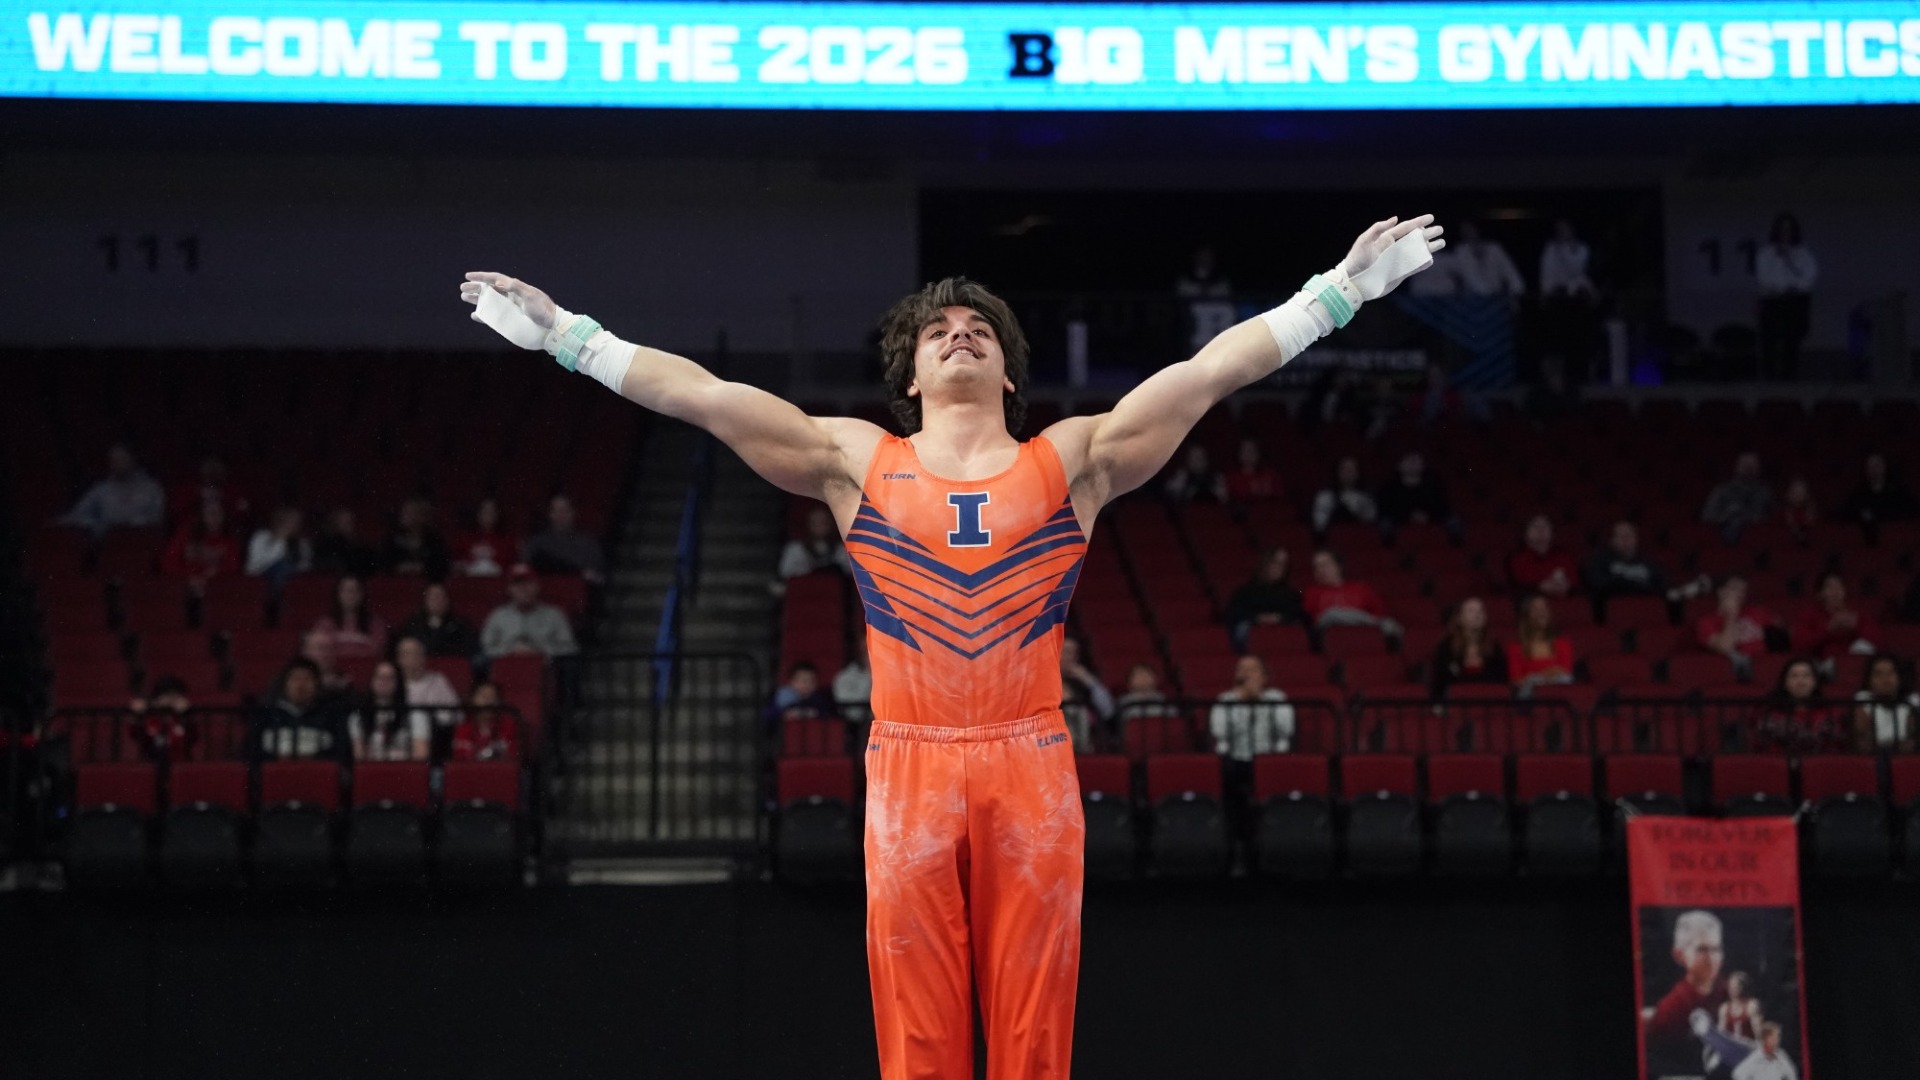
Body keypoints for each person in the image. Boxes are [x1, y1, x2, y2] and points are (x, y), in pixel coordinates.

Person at [461, 209, 1445, 1080]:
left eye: (978, 331)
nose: (959, 337)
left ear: (1009, 373)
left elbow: (1207, 375)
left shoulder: (1071, 459)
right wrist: (566, 336)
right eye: (938, 332)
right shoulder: (854, 460)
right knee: (919, 1024)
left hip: (1030, 755)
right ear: (911, 373)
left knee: (1032, 1020)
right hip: (912, 762)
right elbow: (704, 396)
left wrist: (1342, 292)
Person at [1209, 654, 1294, 827]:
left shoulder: (1276, 698)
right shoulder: (1225, 700)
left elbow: (1286, 729)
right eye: (1242, 670)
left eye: (1252, 670)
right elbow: (1220, 731)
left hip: (1269, 758)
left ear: (1264, 677)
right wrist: (1242, 702)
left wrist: (1260, 701)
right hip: (1235, 759)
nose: (1246, 675)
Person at [1644, 910, 1728, 1077]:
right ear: (1680, 955)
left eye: (1716, 949)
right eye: (1702, 950)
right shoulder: (1671, 1007)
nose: (1711, 958)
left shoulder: (1729, 991)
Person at [1582, 521, 1710, 624]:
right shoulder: (1600, 560)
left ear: (1636, 539)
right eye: (1620, 536)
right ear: (1612, 540)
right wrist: (1647, 590)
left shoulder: (1648, 563)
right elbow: (1603, 586)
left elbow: (1664, 584)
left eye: (1629, 535)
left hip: (1650, 616)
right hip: (1614, 618)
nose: (1626, 540)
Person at [1756, 212, 1817, 381]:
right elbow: (1763, 277)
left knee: (1792, 341)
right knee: (1770, 341)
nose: (1785, 232)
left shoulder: (1803, 253)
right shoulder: (1766, 253)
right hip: (1772, 300)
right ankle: (1769, 379)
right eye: (1782, 229)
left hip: (1795, 301)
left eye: (1789, 229)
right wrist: (1778, 287)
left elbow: (1809, 276)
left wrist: (1789, 260)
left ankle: (1790, 379)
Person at [1537, 218, 1600, 383]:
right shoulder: (1551, 248)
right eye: (1559, 229)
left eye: (1565, 229)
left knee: (1580, 337)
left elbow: (1579, 273)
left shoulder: (1582, 248)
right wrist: (1544, 293)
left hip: (1576, 298)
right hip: (1557, 297)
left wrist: (1591, 291)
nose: (1562, 232)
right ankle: (1554, 378)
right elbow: (1546, 272)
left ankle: (1584, 376)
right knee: (1556, 338)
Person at [57, 443, 164, 537]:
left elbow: (159, 519)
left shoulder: (151, 488)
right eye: (113, 460)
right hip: (109, 548)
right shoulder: (101, 490)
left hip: (142, 544)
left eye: (121, 458)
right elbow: (78, 515)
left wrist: (132, 525)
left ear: (132, 459)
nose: (117, 463)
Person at [254, 658, 348, 762]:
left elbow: (340, 756)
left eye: (307, 679)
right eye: (295, 679)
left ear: (317, 684)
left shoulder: (330, 717)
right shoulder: (267, 716)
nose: (301, 685)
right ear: (284, 683)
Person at [480, 565, 579, 659]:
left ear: (537, 586)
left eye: (528, 583)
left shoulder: (554, 614)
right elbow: (486, 648)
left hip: (545, 667)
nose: (523, 588)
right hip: (506, 667)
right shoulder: (498, 615)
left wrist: (539, 651)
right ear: (509, 589)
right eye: (517, 584)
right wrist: (510, 651)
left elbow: (569, 648)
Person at [1752, 658, 1847, 753]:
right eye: (1794, 676)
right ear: (1785, 682)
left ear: (1815, 682)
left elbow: (1836, 747)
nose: (1800, 681)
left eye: (1806, 676)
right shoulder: (1770, 713)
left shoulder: (1830, 712)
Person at [1302, 550, 1399, 638]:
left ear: (1338, 566)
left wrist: (1352, 617)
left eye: (1325, 564)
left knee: (1388, 623)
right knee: (1332, 613)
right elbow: (1315, 621)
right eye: (1316, 567)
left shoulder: (1360, 588)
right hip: (1331, 633)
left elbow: (1379, 613)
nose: (1320, 569)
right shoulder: (1311, 592)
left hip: (1363, 631)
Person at [1224, 547, 1304, 652]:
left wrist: (1279, 618)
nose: (1278, 568)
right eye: (1275, 563)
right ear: (1265, 563)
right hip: (1252, 622)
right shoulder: (1245, 590)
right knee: (1241, 628)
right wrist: (1257, 618)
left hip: (1282, 622)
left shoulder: (1291, 593)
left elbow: (1298, 612)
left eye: (1283, 564)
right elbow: (1234, 612)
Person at [347, 660, 429, 762]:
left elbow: (420, 756)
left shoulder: (415, 714)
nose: (384, 681)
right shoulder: (358, 716)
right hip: (372, 771)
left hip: (404, 771)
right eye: (379, 677)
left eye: (390, 678)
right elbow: (359, 757)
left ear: (398, 682)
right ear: (372, 681)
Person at [1429, 597, 1509, 700]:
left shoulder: (1494, 647)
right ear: (1459, 618)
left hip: (1488, 702)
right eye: (1471, 611)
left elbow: (1501, 680)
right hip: (1456, 703)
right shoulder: (1446, 647)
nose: (1477, 615)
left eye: (1480, 611)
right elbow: (1440, 681)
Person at [1697, 576, 1780, 675]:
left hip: (1765, 666)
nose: (1740, 594)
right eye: (1734, 589)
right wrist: (1731, 615)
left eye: (1743, 590)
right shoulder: (1707, 622)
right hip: (1735, 671)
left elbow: (1783, 634)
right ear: (1721, 592)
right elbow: (1725, 648)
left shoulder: (1756, 611)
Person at [1790, 573, 1880, 661]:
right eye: (1830, 587)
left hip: (1853, 664)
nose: (1835, 592)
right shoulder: (1809, 614)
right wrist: (1827, 630)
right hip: (1821, 666)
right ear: (1820, 594)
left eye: (1839, 587)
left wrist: (1857, 627)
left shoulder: (1857, 614)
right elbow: (1799, 646)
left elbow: (1880, 643)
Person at [394, 635, 462, 753]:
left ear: (423, 657)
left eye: (416, 653)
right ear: (399, 659)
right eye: (407, 654)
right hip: (402, 740)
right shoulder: (394, 684)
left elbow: (458, 715)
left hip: (437, 739)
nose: (412, 658)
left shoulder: (438, 681)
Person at [1373, 451, 1458, 541]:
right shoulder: (1388, 487)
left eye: (1416, 459)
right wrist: (1409, 516)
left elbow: (1443, 507)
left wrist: (1428, 516)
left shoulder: (1434, 485)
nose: (1412, 463)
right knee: (1385, 523)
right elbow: (1385, 510)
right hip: (1398, 519)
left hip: (1431, 518)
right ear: (1399, 465)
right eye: (1408, 460)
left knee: (1453, 521)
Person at [1834, 452, 1918, 542]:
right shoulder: (1859, 492)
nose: (1873, 469)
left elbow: (1910, 511)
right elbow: (1846, 512)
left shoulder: (1898, 490)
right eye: (1869, 466)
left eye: (1877, 465)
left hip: (1896, 538)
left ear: (1885, 467)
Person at [522, 493, 606, 583]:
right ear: (550, 514)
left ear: (573, 513)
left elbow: (599, 577)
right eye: (556, 511)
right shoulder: (536, 544)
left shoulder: (589, 545)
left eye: (565, 510)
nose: (561, 515)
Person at [160, 498, 239, 591]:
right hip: (184, 588)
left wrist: (212, 575)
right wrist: (189, 577)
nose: (215, 517)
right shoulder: (185, 535)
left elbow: (233, 568)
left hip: (217, 590)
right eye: (210, 513)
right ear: (201, 515)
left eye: (218, 513)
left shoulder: (230, 540)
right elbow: (168, 563)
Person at [394, 582, 481, 659]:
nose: (437, 601)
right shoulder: (413, 624)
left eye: (440, 597)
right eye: (433, 597)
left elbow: (470, 648)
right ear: (425, 600)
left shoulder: (460, 623)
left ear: (447, 600)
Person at [1506, 593, 1574, 692]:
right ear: (1526, 615)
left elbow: (1565, 673)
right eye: (1535, 609)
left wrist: (1533, 677)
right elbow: (1516, 681)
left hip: (1559, 692)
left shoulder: (1563, 644)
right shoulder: (1516, 648)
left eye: (1544, 608)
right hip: (1530, 697)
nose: (1541, 612)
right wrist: (1548, 674)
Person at [1701, 452, 1775, 543]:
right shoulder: (1721, 490)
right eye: (1745, 464)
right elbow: (1708, 515)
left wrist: (1747, 518)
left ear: (1758, 468)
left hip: (1756, 538)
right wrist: (1728, 517)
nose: (1748, 468)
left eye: (1752, 465)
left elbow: (1772, 519)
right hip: (1720, 537)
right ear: (1736, 466)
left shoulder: (1765, 492)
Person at [310, 575, 387, 660]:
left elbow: (377, 652)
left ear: (362, 594)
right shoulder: (324, 624)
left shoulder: (375, 624)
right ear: (338, 594)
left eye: (354, 590)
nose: (350, 595)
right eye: (345, 590)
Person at [1853, 653, 1918, 753]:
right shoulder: (1862, 699)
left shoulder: (1912, 701)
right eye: (1878, 674)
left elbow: (1914, 741)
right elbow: (1863, 742)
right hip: (1874, 758)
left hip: (1903, 759)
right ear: (1869, 680)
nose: (1885, 680)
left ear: (1899, 677)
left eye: (1890, 673)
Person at [1059, 637, 1115, 751]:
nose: (1068, 658)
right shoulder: (1042, 681)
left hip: (1084, 746)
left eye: (1072, 653)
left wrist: (1088, 680)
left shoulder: (1084, 682)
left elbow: (1107, 710)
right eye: (1064, 651)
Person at [1504, 514, 1578, 599]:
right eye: (1535, 527)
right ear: (1526, 533)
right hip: (1531, 601)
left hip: (1565, 601)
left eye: (1545, 526)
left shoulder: (1564, 557)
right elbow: (1516, 586)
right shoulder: (1515, 559)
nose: (1541, 530)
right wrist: (1540, 587)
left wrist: (1567, 587)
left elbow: (1575, 583)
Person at [127, 674, 196, 762]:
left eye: (176, 696)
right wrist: (136, 715)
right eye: (169, 696)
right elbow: (135, 735)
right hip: (151, 765)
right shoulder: (148, 718)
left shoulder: (183, 719)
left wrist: (187, 714)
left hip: (180, 765)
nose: (172, 701)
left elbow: (192, 737)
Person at [777, 504, 852, 585]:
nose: (819, 527)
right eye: (815, 523)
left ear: (831, 525)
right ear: (808, 525)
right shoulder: (795, 549)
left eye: (823, 523)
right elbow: (785, 572)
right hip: (804, 590)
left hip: (833, 591)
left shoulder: (841, 549)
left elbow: (850, 572)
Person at [382, 496, 451, 579]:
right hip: (398, 584)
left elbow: (443, 565)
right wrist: (400, 567)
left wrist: (422, 567)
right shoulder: (392, 538)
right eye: (403, 512)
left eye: (409, 513)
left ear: (422, 516)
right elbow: (384, 564)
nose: (403, 516)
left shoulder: (434, 539)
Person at [451, 681, 522, 762]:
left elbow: (513, 757)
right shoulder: (462, 729)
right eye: (483, 696)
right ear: (472, 700)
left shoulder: (509, 727)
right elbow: (460, 759)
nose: (488, 700)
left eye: (493, 697)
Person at [245, 506, 312, 589]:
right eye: (289, 520)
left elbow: (304, 567)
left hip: (291, 583)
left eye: (296, 521)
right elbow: (252, 568)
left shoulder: (301, 543)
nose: (292, 524)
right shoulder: (261, 536)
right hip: (260, 580)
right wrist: (279, 540)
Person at [169, 454, 247, 525]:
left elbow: (243, 511)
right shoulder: (190, 488)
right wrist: (198, 493)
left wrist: (222, 496)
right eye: (209, 465)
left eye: (217, 465)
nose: (213, 470)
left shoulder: (232, 490)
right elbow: (175, 510)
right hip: (195, 531)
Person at [1311, 456, 1378, 537]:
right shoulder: (1325, 497)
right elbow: (1319, 526)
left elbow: (1371, 523)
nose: (1348, 473)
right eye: (1344, 469)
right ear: (1338, 472)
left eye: (1352, 470)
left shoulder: (1365, 498)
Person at [762, 661, 838, 731]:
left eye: (812, 681)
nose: (807, 685)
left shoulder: (820, 700)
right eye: (803, 681)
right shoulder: (781, 698)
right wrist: (782, 714)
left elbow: (830, 715)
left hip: (813, 737)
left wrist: (816, 714)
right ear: (791, 682)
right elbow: (768, 715)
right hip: (786, 738)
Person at [312, 507, 378, 579]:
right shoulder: (327, 545)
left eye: (349, 522)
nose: (347, 525)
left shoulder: (359, 545)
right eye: (343, 522)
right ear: (335, 524)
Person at [454, 497, 513, 577]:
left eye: (491, 512)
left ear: (497, 515)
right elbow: (457, 563)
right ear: (478, 514)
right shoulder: (465, 539)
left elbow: (511, 566)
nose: (488, 516)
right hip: (470, 582)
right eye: (484, 512)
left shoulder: (506, 540)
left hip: (498, 582)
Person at [1113, 663, 1178, 735]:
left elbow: (1174, 722)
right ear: (1129, 681)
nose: (1143, 678)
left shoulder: (1163, 700)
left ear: (1155, 679)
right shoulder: (1124, 702)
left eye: (1147, 674)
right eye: (1138, 675)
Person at [1161, 443, 1227, 504]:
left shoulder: (1216, 477)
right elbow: (1169, 496)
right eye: (1192, 457)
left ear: (1206, 460)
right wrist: (1179, 489)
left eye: (1199, 457)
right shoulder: (1181, 476)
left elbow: (1225, 500)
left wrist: (1219, 493)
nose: (1196, 461)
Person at [299, 629, 355, 700]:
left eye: (330, 649)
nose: (326, 654)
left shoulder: (345, 682)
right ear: (305, 651)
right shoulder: (290, 679)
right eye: (320, 648)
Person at [1731, 1022, 1799, 1080]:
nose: (1777, 1040)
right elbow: (1737, 1074)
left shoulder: (1781, 1055)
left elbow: (1792, 1074)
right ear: (1765, 1039)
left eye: (1778, 1037)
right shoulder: (1756, 1058)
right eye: (1774, 1038)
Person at [1224, 437, 1281, 503]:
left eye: (1252, 451)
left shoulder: (1271, 475)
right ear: (1238, 454)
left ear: (1259, 453)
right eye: (1244, 451)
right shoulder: (1231, 478)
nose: (1248, 455)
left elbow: (1280, 500)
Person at [833, 638, 873, 724]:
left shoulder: (897, 675)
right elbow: (852, 713)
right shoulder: (845, 678)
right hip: (858, 730)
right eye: (865, 649)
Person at [1717, 971, 1763, 1043]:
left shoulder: (1751, 1006)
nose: (1732, 990)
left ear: (1743, 987)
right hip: (1732, 1048)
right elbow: (1721, 1034)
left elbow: (1759, 1034)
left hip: (1749, 1047)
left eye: (1735, 987)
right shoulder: (1725, 1008)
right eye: (1730, 987)